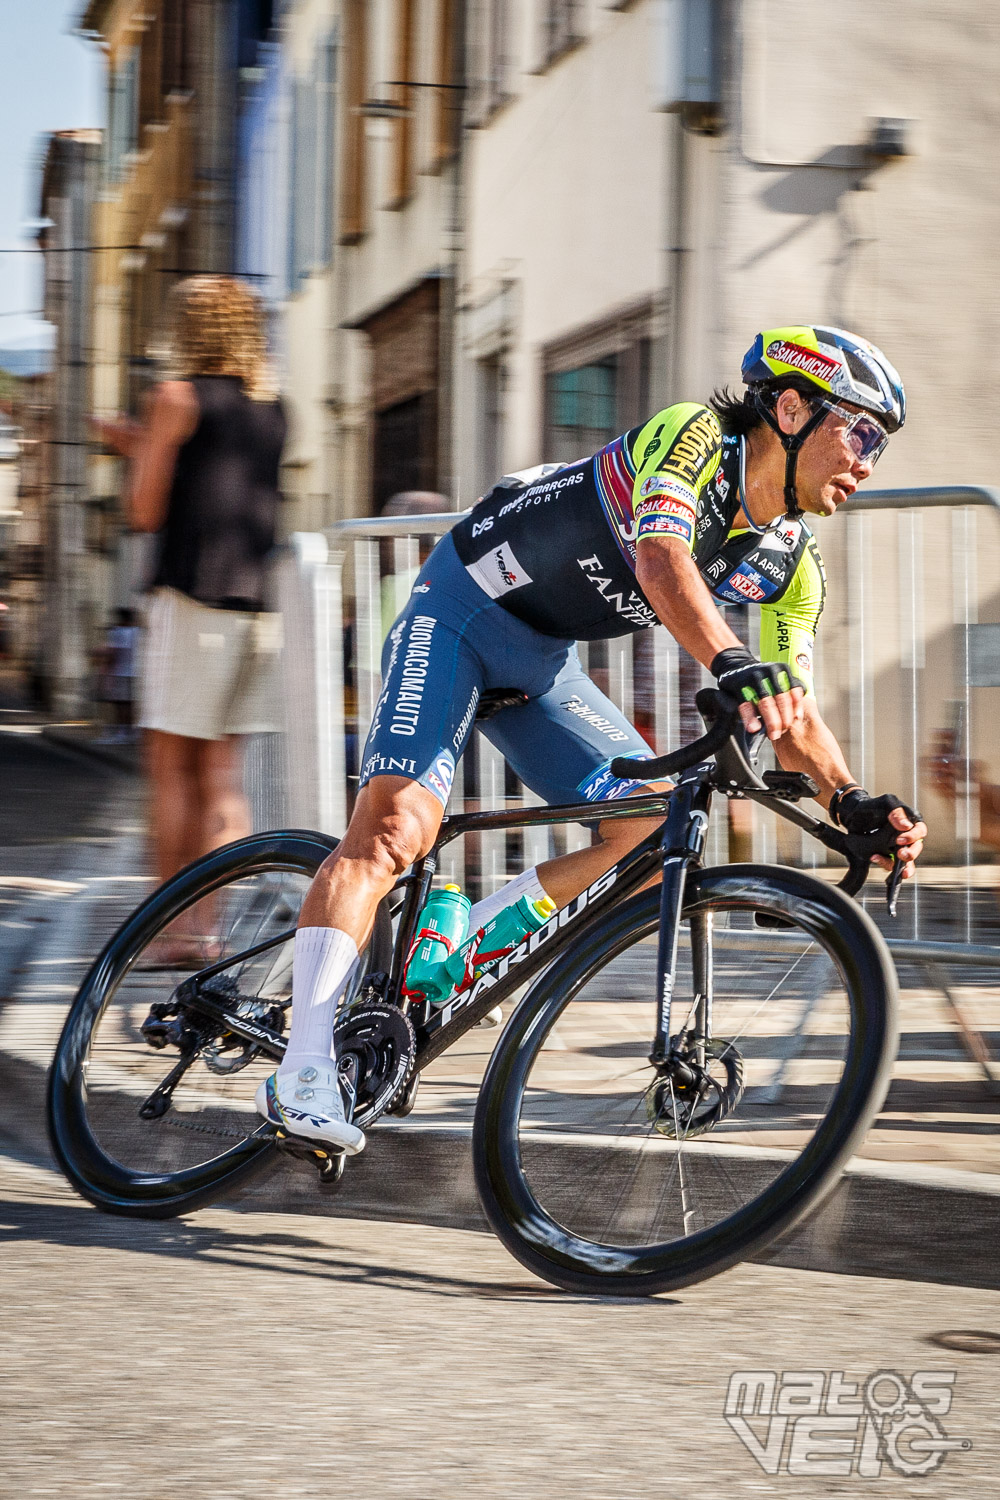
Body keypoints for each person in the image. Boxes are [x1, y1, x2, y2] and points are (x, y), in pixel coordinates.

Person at [257, 324, 927, 1153]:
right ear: (788, 409)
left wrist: (850, 798)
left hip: (540, 663)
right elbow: (660, 560)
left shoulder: (793, 563)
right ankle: (304, 1066)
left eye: (880, 447)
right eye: (858, 432)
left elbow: (795, 708)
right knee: (396, 831)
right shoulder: (693, 440)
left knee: (647, 821)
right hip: (460, 612)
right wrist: (729, 660)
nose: (866, 461)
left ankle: (466, 943)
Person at [94, 276, 287, 963]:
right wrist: (145, 442)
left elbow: (144, 512)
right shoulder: (273, 406)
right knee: (221, 779)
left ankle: (167, 934)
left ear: (190, 331)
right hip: (256, 613)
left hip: (190, 603)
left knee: (170, 770)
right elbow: (217, 477)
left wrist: (140, 449)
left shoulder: (173, 396)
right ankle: (208, 932)